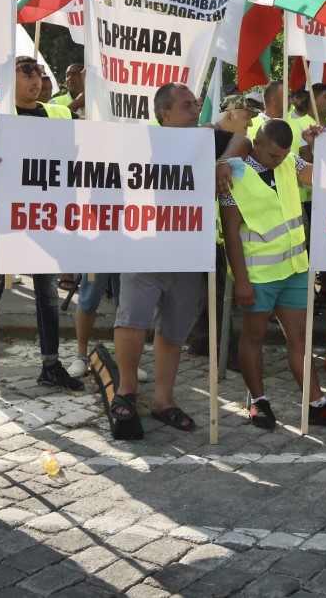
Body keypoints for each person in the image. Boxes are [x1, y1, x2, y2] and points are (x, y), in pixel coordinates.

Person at [106, 82, 248, 431]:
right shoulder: (141, 141)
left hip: (188, 254)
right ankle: (126, 392)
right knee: (132, 321)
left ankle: (163, 401)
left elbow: (243, 137)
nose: (195, 110)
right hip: (145, 250)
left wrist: (225, 162)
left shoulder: (203, 139)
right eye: (186, 105)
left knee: (174, 330)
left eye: (196, 104)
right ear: (164, 112)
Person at [220, 119, 326, 428]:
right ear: (257, 144)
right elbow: (230, 234)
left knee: (300, 339)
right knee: (253, 337)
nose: (277, 160)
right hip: (257, 275)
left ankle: (317, 403)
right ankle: (258, 401)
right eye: (272, 156)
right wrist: (241, 280)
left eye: (282, 155)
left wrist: (319, 146)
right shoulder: (234, 177)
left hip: (294, 268)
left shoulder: (290, 162)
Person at [0, 56, 79, 403]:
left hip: (46, 218)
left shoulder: (58, 113)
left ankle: (50, 365)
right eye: (26, 72)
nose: (36, 79)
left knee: (46, 293)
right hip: (7, 220)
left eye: (39, 72)